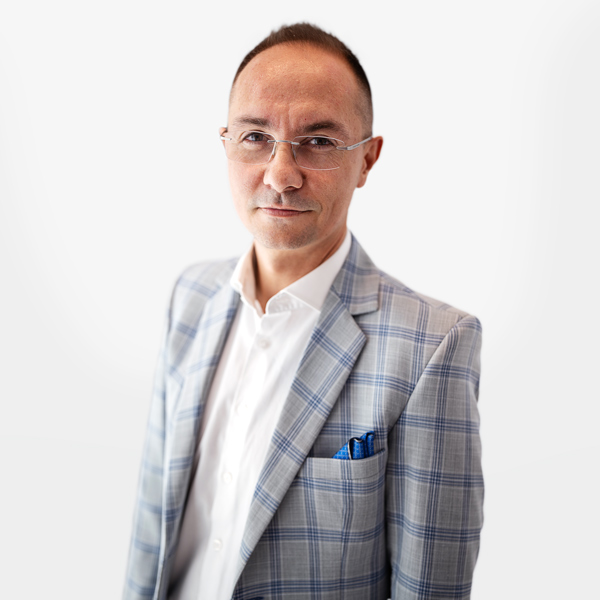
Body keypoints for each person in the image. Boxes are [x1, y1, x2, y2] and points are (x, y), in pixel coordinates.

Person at [123, 23, 483, 600]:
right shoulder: (191, 298)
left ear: (367, 160)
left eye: (317, 142)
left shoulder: (431, 348)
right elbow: (151, 534)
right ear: (225, 143)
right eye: (255, 137)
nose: (280, 175)